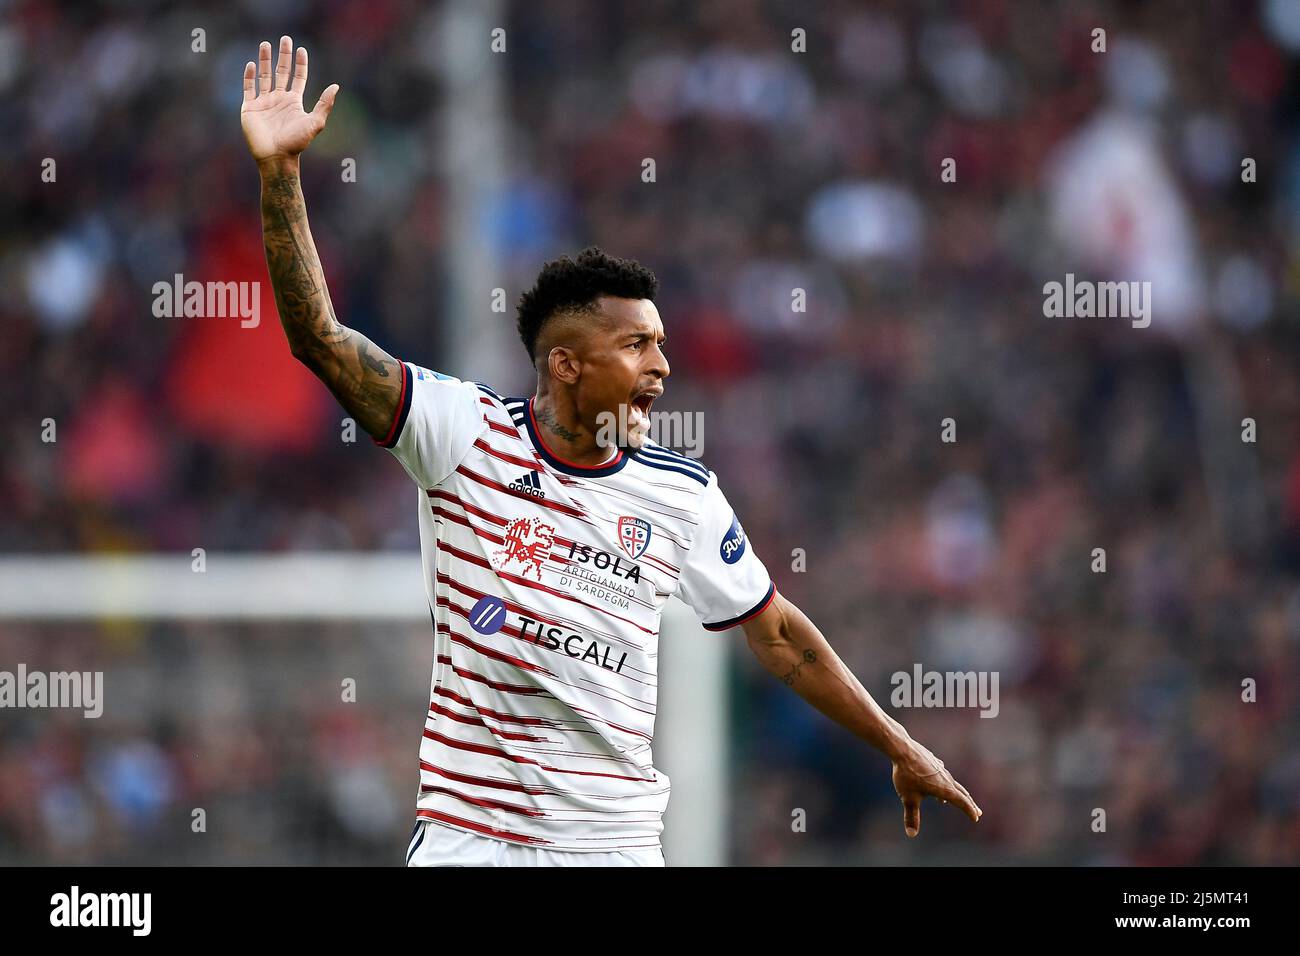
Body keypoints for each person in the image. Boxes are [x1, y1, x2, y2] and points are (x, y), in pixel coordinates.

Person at [240, 35, 982, 866]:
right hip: (469, 842)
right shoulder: (460, 432)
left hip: (613, 846)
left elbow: (780, 637)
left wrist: (897, 744)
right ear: (566, 364)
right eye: (636, 347)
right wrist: (281, 176)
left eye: (661, 345)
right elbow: (321, 340)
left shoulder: (684, 495)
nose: (662, 367)